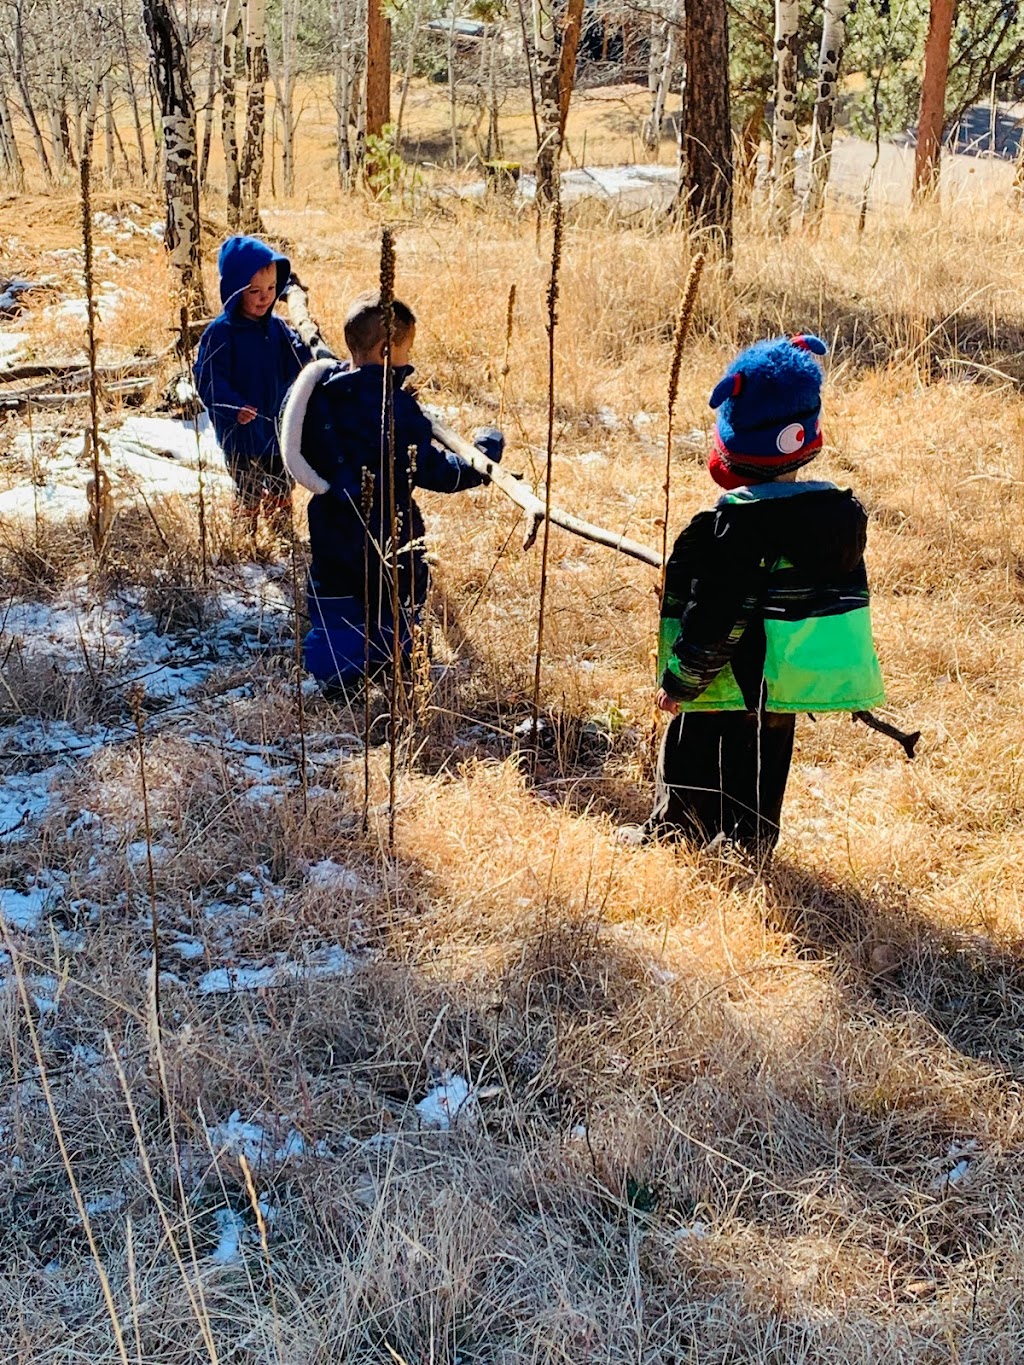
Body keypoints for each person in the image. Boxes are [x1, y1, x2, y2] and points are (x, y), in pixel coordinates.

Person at [637, 333, 885, 860]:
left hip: (723, 680)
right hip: (782, 679)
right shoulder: (828, 517)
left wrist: (682, 680)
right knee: (764, 762)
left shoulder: (732, 529)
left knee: (693, 755)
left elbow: (718, 617)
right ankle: (750, 848)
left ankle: (678, 834)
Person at [279, 289, 503, 689]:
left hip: (331, 528)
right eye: (406, 350)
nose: (409, 361)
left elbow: (299, 441)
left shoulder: (321, 397)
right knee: (395, 603)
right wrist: (483, 456)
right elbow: (438, 473)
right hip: (391, 533)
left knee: (335, 598)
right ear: (386, 350)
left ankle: (335, 669)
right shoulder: (399, 410)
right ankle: (394, 661)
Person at [194, 235, 312, 534]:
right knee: (247, 487)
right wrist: (233, 406)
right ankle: (244, 538)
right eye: (255, 291)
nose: (265, 297)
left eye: (271, 289)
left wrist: (309, 345)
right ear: (235, 291)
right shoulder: (221, 333)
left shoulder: (277, 329)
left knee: (280, 485)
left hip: (275, 428)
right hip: (241, 432)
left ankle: (283, 535)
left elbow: (297, 366)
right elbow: (208, 379)